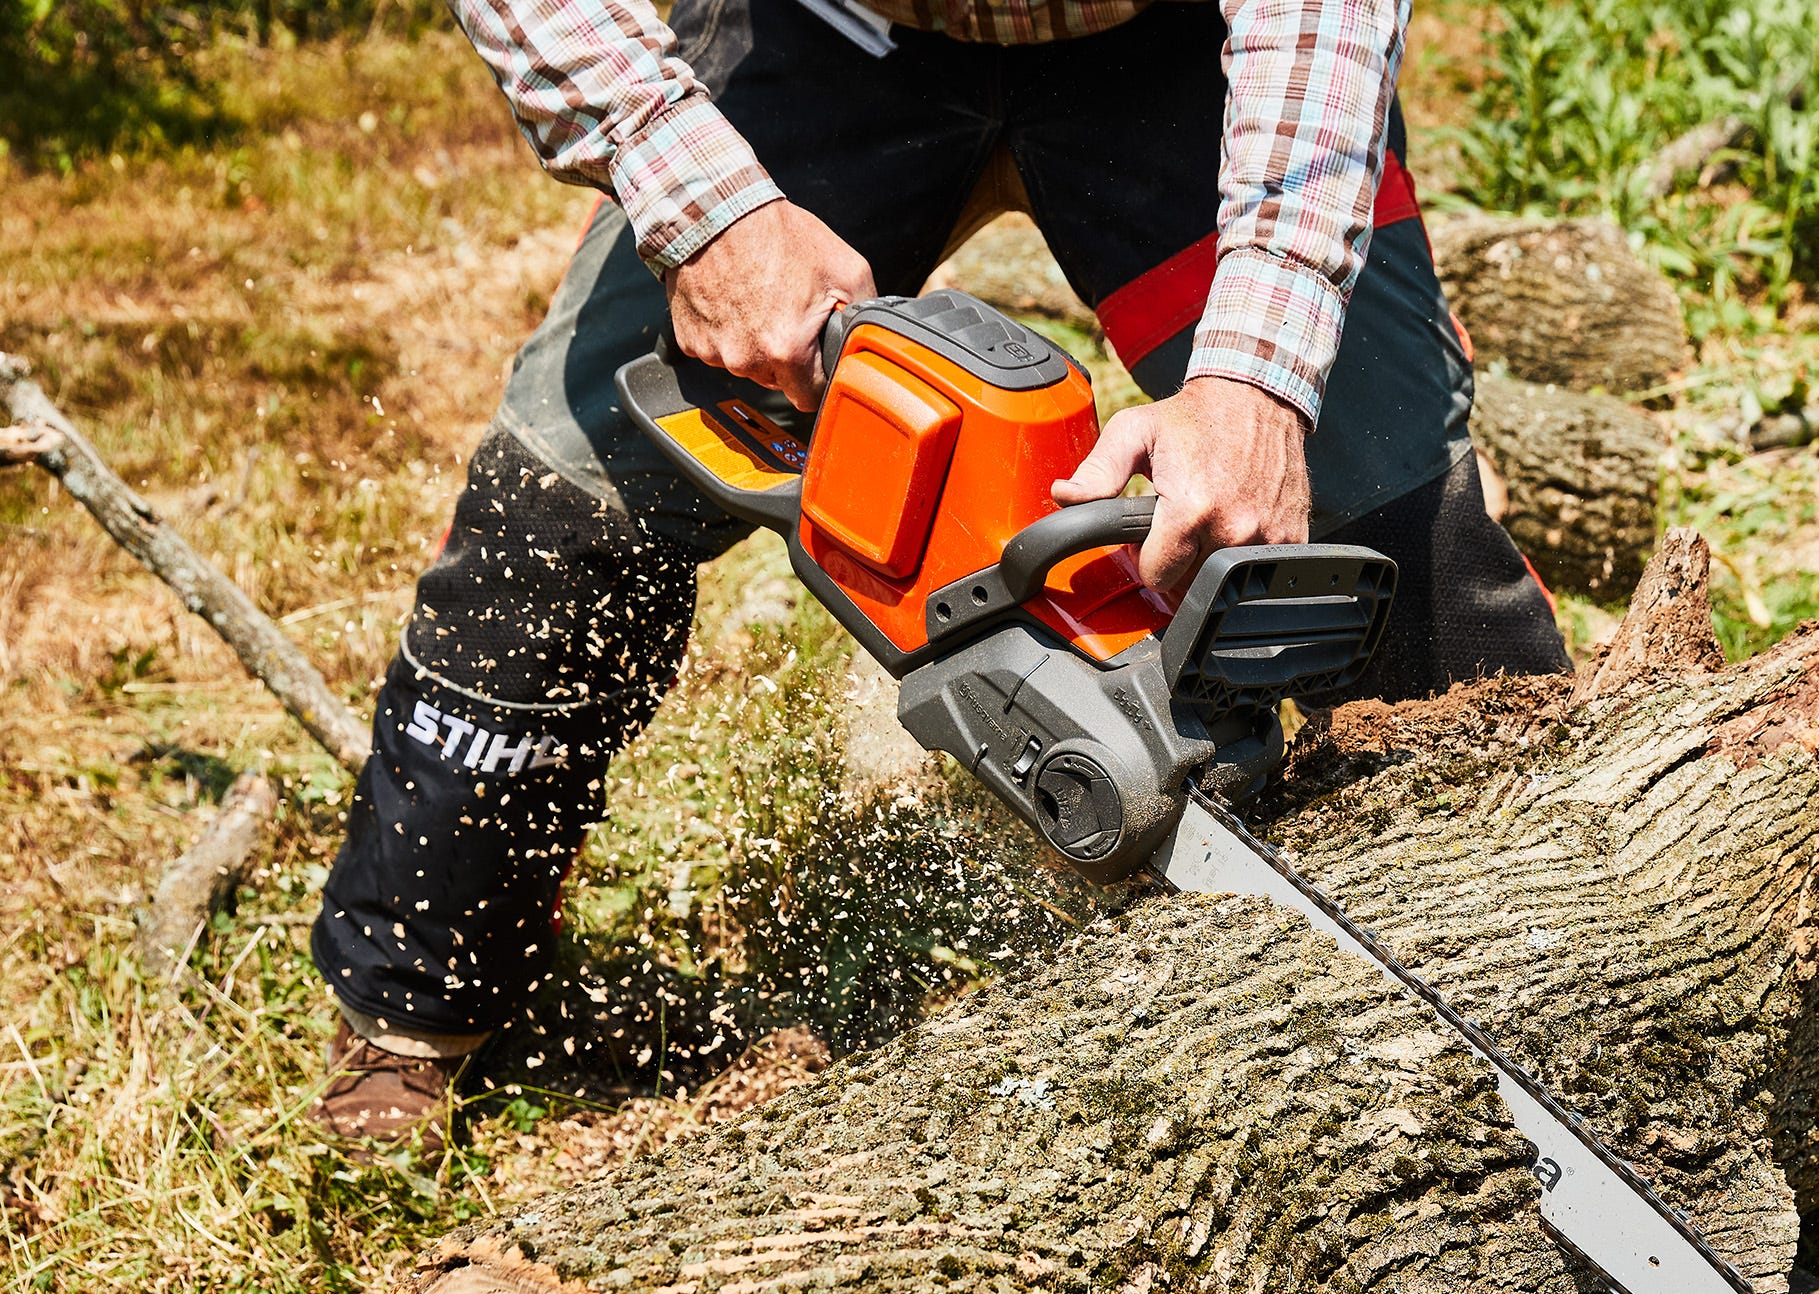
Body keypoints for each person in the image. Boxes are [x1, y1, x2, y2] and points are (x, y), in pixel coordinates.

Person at [312, 0, 1571, 1146]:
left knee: (1398, 526)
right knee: (561, 505)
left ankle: (1554, 965)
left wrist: (1259, 370)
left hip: (1186, 51)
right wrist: (691, 194)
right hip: (814, 38)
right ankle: (415, 993)